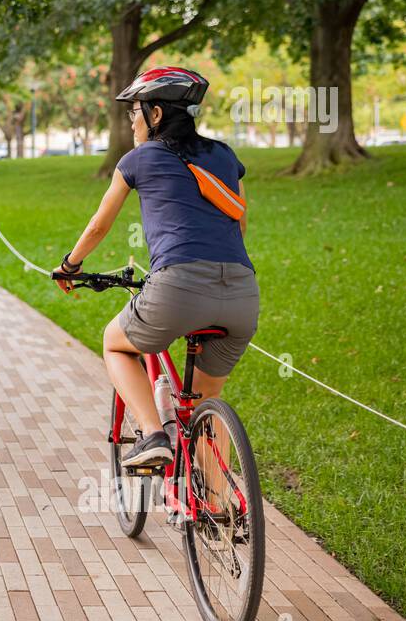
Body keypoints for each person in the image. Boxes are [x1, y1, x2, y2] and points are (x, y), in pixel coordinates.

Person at [55, 66, 259, 468]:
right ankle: (219, 510)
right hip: (242, 294)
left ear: (157, 114)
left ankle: (152, 434)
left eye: (134, 112)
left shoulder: (138, 159)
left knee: (114, 342)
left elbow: (99, 225)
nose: (131, 122)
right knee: (203, 406)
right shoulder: (224, 155)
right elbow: (241, 222)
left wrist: (70, 265)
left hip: (177, 289)